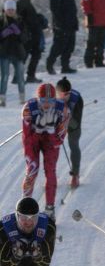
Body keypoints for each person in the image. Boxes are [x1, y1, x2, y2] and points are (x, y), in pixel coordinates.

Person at [21, 83, 70, 220]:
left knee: (50, 171)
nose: (47, 104)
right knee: (32, 169)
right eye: (43, 101)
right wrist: (38, 130)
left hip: (51, 141)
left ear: (56, 100)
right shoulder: (28, 109)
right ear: (37, 99)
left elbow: (60, 140)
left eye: (51, 101)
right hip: (33, 141)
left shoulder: (63, 110)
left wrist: (50, 131)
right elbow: (27, 138)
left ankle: (49, 208)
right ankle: (25, 203)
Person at [56, 76, 83, 188]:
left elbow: (75, 124)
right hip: (57, 123)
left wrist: (66, 113)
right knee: (51, 147)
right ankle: (50, 175)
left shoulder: (76, 99)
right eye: (61, 94)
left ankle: (75, 174)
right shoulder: (52, 97)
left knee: (73, 144)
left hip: (72, 124)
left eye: (67, 94)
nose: (64, 97)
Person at [46, 0, 79, 75]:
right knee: (58, 46)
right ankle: (50, 64)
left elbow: (73, 10)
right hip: (61, 26)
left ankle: (65, 66)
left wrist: (74, 23)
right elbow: (55, 9)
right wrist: (59, 23)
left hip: (71, 24)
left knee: (69, 46)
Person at [0, 0, 26, 107]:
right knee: (5, 76)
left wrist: (19, 34)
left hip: (17, 53)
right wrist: (3, 34)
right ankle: (2, 99)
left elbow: (25, 38)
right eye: (8, 9)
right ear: (5, 10)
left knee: (20, 76)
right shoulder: (1, 21)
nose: (10, 11)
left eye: (12, 9)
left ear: (15, 10)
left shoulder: (20, 21)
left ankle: (22, 98)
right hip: (4, 53)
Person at [17, 0, 43, 83]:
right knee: (24, 56)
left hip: (33, 34)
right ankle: (19, 77)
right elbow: (20, 20)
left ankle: (30, 76)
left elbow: (31, 18)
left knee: (35, 55)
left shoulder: (28, 3)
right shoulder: (21, 4)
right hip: (27, 35)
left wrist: (38, 18)